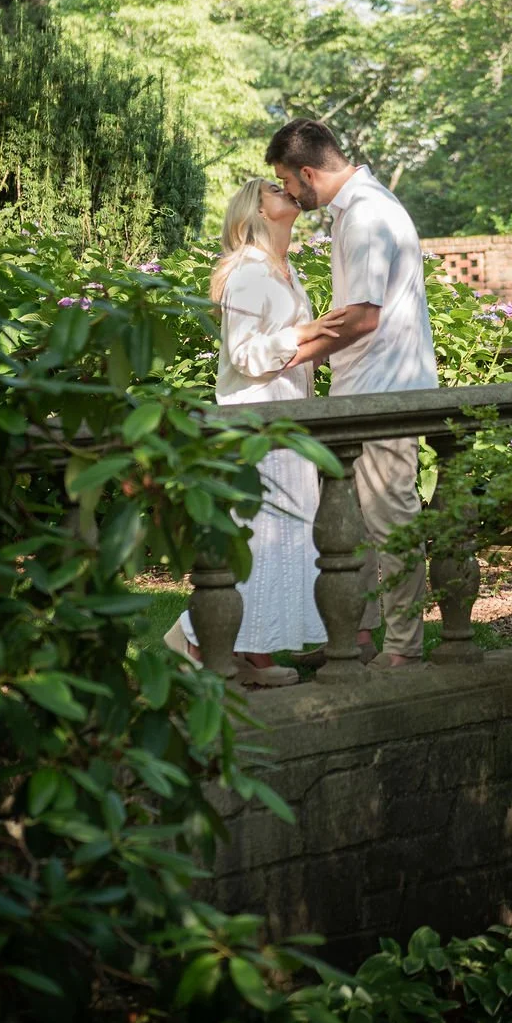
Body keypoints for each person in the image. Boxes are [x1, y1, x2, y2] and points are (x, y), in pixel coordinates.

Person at [265, 120, 438, 669]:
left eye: (287, 181)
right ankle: (359, 640)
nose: (288, 192)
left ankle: (404, 649)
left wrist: (284, 358)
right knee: (355, 524)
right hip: (364, 388)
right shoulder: (362, 207)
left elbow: (362, 317)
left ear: (308, 172)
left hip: (384, 392)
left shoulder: (365, 215)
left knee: (391, 519)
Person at [164, 178, 345, 685]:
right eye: (273, 189)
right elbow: (244, 356)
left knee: (282, 539)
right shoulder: (246, 272)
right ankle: (197, 639)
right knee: (261, 539)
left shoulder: (284, 272)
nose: (287, 190)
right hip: (256, 423)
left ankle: (249, 654)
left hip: (286, 423)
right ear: (254, 212)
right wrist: (304, 332)